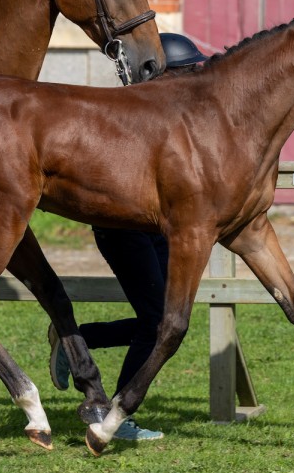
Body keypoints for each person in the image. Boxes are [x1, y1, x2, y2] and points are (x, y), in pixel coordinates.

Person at [48, 32, 208, 441]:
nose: (197, 80)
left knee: (156, 320)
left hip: (149, 226)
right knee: (158, 322)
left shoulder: (164, 117)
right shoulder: (134, 118)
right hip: (124, 229)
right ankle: (116, 418)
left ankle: (77, 339)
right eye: (189, 73)